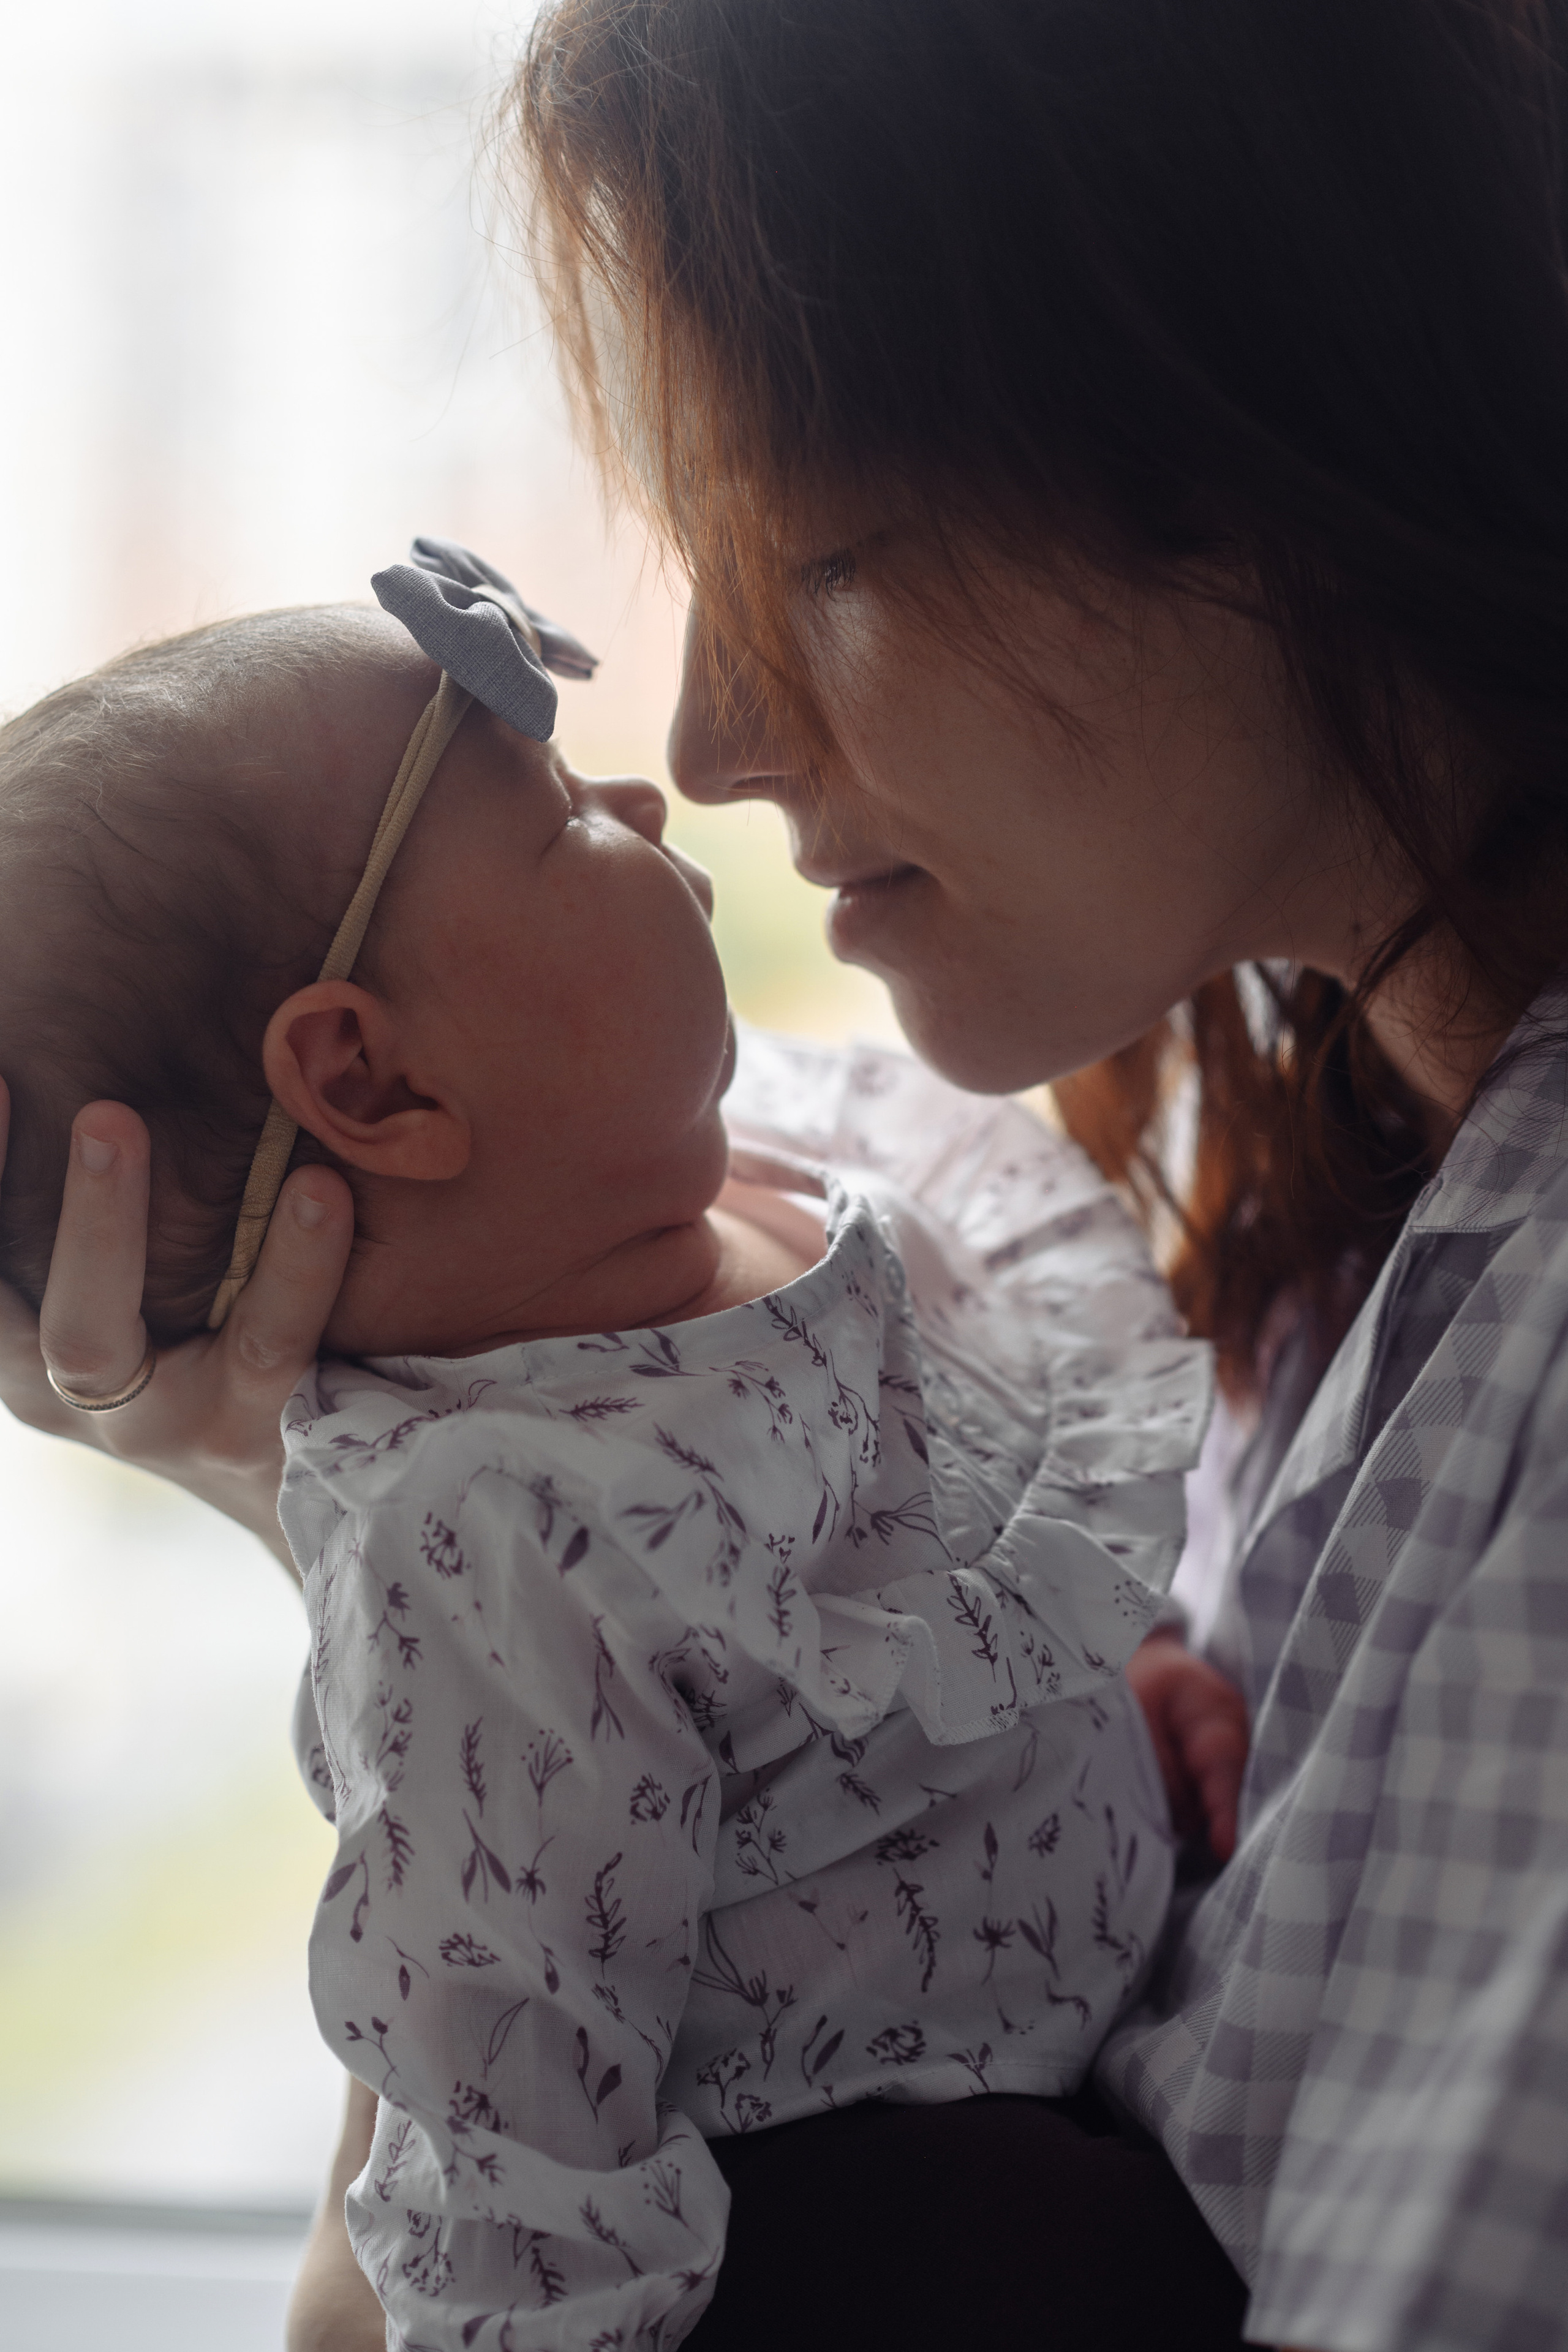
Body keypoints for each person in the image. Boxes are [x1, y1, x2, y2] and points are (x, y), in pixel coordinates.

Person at [6, 0, 1568, 2345]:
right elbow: (523, 2147)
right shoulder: (1307, 1183)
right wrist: (370, 1496)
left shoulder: (1502, 1384)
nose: (709, 744)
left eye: (815, 551)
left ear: (1260, 443)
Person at [0, 540, 1237, 2348]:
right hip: (863, 2218)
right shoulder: (491, 1537)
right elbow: (504, 2105)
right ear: (374, 1082)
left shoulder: (762, 1177)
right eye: (565, 816)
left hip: (1066, 2061)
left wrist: (1101, 1676)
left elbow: (909, 1543)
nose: (650, 792)